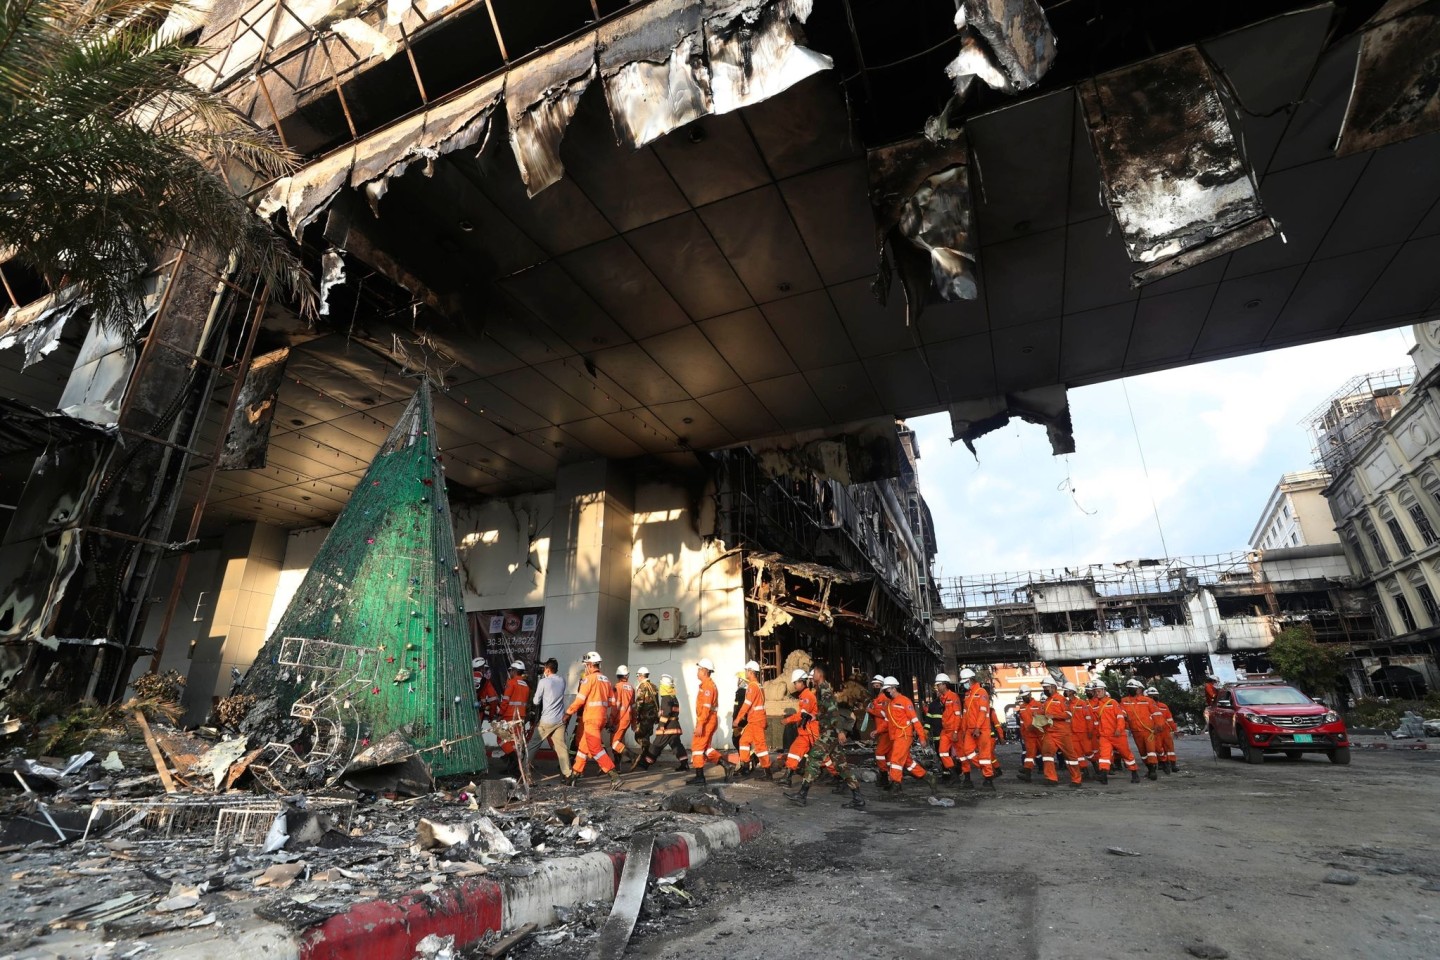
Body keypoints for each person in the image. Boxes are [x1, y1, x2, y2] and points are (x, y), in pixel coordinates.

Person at [786, 663, 865, 809]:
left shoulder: (824, 689)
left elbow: (833, 711)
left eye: (813, 672)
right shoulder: (821, 689)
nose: (811, 674)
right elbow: (825, 712)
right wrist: (813, 717)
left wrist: (840, 731)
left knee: (813, 758)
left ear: (819, 673)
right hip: (831, 732)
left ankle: (802, 795)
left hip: (830, 732)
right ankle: (858, 797)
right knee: (841, 766)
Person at [565, 651, 621, 787]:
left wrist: (568, 713)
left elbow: (580, 700)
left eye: (586, 666)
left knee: (595, 748)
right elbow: (612, 702)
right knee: (583, 749)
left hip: (591, 719)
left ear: (590, 665)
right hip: (601, 717)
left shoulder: (588, 679)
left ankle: (614, 776)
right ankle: (574, 775)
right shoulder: (606, 680)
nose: (585, 668)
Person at [882, 676, 934, 793]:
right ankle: (928, 777)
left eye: (887, 689)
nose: (886, 692)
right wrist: (878, 731)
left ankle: (896, 784)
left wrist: (922, 737)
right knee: (906, 762)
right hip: (896, 736)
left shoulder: (905, 701)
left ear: (893, 688)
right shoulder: (890, 704)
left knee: (895, 759)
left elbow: (915, 720)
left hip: (904, 735)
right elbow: (888, 722)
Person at [689, 658, 734, 784]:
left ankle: (700, 777)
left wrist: (700, 724)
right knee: (705, 748)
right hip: (709, 720)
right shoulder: (707, 685)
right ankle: (726, 765)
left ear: (705, 671)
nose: (697, 672)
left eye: (699, 669)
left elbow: (706, 707)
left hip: (707, 720)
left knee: (697, 747)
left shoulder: (708, 686)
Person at [528, 657, 571, 782]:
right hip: (560, 720)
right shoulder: (562, 680)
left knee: (533, 745)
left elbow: (536, 701)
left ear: (547, 669)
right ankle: (568, 774)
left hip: (547, 720)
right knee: (561, 747)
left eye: (545, 669)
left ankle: (524, 771)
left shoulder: (544, 682)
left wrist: (542, 680)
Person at [728, 660, 772, 779]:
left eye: (747, 670)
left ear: (751, 672)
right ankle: (746, 766)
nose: (745, 672)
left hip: (756, 721)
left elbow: (746, 705)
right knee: (743, 741)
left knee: (760, 747)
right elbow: (761, 705)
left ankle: (767, 772)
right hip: (755, 721)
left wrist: (737, 720)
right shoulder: (758, 686)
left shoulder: (752, 686)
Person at [1091, 679, 1139, 783]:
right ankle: (1103, 775)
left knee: (1126, 754)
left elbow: (1120, 716)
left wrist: (1119, 729)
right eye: (1095, 691)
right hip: (1104, 736)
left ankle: (1134, 773)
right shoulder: (1096, 706)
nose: (1097, 693)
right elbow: (1095, 722)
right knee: (1104, 756)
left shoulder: (1112, 702)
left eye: (1099, 691)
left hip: (1117, 735)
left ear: (1104, 690)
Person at [1039, 677, 1082, 788]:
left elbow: (1069, 714)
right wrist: (1037, 715)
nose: (1045, 690)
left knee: (1070, 756)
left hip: (1062, 732)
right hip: (1050, 732)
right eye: (1044, 688)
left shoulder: (1062, 700)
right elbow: (1044, 714)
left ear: (1053, 687)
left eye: (1046, 687)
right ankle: (1051, 778)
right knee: (1047, 754)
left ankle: (1076, 780)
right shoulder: (1047, 701)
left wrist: (1054, 716)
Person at [638, 674, 687, 769]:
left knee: (656, 745)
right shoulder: (674, 697)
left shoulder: (666, 698)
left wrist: (662, 725)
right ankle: (684, 764)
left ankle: (646, 763)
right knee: (677, 745)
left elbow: (666, 713)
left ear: (664, 686)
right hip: (675, 726)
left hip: (667, 727)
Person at [958, 667, 996, 790]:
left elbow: (983, 712)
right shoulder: (968, 695)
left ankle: (989, 779)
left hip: (981, 729)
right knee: (967, 752)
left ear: (970, 680)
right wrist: (963, 731)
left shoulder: (981, 692)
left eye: (964, 682)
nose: (963, 685)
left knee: (985, 755)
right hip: (970, 730)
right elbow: (965, 714)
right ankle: (985, 769)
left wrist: (978, 727)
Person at [780, 669, 818, 787]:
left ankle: (839, 777)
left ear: (802, 682)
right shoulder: (804, 696)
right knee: (795, 751)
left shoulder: (807, 696)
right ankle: (788, 777)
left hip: (810, 731)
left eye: (795, 683)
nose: (794, 685)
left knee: (824, 756)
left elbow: (803, 714)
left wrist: (788, 720)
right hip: (806, 731)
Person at [1121, 678, 1162, 780]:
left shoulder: (1147, 700)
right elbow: (1122, 715)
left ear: (1138, 689)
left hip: (1148, 731)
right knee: (1143, 753)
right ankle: (1149, 768)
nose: (1131, 690)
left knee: (1151, 751)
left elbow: (1156, 714)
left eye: (1133, 688)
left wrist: (1158, 726)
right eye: (1129, 688)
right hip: (1135, 731)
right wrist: (1124, 727)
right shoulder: (1124, 701)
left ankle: (1153, 770)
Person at [499, 661, 531, 774]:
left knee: (501, 738)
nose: (510, 673)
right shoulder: (526, 685)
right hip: (520, 717)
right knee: (515, 742)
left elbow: (505, 700)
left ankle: (513, 759)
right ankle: (513, 768)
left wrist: (500, 714)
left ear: (514, 671)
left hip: (509, 716)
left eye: (510, 670)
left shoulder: (511, 683)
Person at [934, 673, 963, 782]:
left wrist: (955, 731)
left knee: (961, 754)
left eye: (939, 685)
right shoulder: (942, 698)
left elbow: (957, 716)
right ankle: (954, 774)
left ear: (944, 685)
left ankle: (966, 775)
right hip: (945, 730)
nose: (937, 687)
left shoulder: (953, 697)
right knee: (942, 752)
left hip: (953, 730)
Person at [1147, 686, 1179, 773]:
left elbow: (1170, 719)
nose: (1154, 696)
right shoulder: (1147, 707)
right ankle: (1162, 763)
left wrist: (1174, 729)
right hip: (1155, 731)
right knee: (1158, 748)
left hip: (1166, 730)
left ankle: (1173, 764)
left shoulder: (1163, 706)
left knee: (1169, 747)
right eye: (1152, 695)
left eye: (1155, 695)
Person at [631, 666, 659, 768]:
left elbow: (639, 703)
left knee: (638, 736)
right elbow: (657, 703)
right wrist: (657, 717)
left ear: (641, 675)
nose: (637, 678)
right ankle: (644, 760)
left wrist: (636, 716)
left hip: (644, 717)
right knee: (646, 736)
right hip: (652, 717)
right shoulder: (654, 686)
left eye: (638, 675)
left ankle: (651, 753)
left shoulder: (642, 686)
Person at [1066, 681, 1095, 778]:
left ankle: (1096, 767)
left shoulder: (1082, 703)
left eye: (1068, 690)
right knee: (1077, 753)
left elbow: (1089, 718)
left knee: (1088, 752)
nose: (1066, 692)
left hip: (1083, 732)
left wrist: (1090, 731)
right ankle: (1084, 770)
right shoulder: (1066, 704)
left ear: (1072, 691)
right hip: (1072, 733)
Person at [866, 674, 891, 782]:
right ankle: (891, 776)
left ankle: (884, 776)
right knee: (888, 755)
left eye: (877, 685)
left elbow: (884, 714)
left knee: (880, 753)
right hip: (881, 730)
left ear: (882, 686)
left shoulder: (884, 699)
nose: (875, 688)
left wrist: (871, 710)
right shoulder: (877, 700)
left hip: (885, 730)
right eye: (874, 686)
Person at [1016, 685, 1043, 782]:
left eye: (1026, 696)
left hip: (1039, 734)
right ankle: (1027, 774)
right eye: (1023, 696)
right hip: (1029, 736)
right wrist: (1023, 734)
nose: (1024, 698)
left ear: (1030, 694)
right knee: (1030, 754)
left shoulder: (1038, 705)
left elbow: (1042, 720)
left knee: (1046, 753)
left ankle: (1049, 773)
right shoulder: (1022, 707)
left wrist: (1034, 726)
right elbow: (1022, 723)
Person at [610, 665, 635, 765]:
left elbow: (616, 706)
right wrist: (633, 722)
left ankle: (633, 756)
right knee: (618, 742)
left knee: (614, 743)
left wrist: (611, 720)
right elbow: (633, 707)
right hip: (627, 719)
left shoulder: (617, 687)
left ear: (618, 676)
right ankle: (617, 767)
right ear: (627, 675)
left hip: (619, 719)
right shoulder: (631, 688)